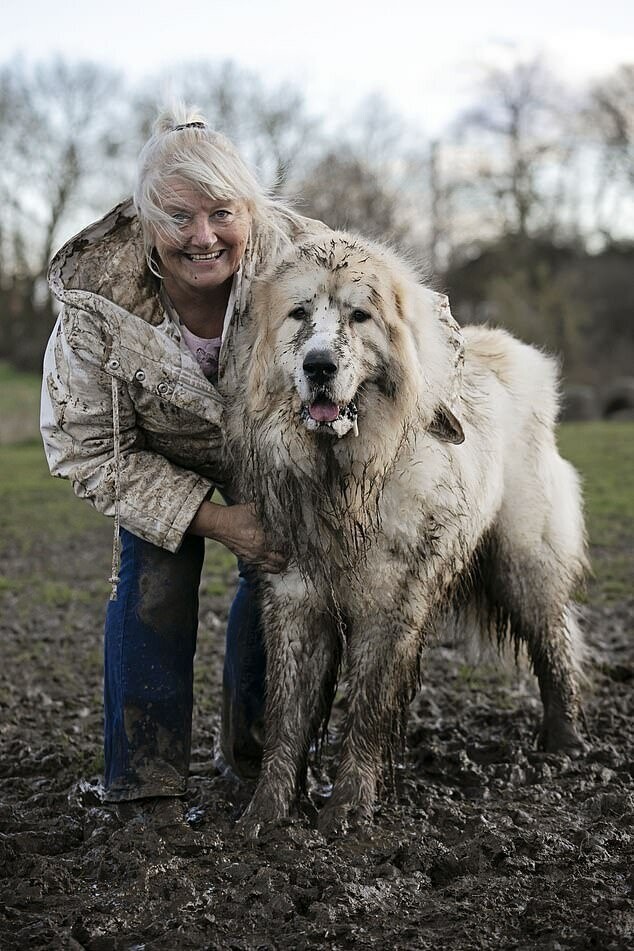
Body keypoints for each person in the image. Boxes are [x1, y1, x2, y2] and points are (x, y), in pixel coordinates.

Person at [40, 104, 327, 811]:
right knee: (153, 580)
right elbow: (85, 448)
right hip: (155, 457)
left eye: (222, 212)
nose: (203, 237)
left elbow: (408, 312)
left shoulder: (309, 259)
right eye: (178, 217)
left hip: (272, 455)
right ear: (143, 221)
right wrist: (220, 520)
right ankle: (144, 784)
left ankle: (265, 766)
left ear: (251, 212)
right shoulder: (94, 306)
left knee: (282, 581)